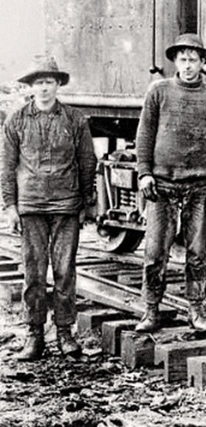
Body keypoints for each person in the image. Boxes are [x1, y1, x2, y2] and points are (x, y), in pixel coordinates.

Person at [0, 55, 96, 360]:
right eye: (38, 82)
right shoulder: (16, 120)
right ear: (30, 86)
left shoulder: (74, 120)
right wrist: (10, 205)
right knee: (34, 271)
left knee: (65, 270)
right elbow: (7, 166)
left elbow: (87, 161)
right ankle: (35, 334)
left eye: (49, 82)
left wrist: (86, 201)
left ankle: (65, 333)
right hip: (31, 206)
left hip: (66, 204)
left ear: (57, 85)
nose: (44, 88)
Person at [134, 33, 206, 334]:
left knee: (198, 253)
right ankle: (151, 310)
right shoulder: (158, 91)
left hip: (199, 186)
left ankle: (196, 310)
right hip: (161, 186)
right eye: (182, 59)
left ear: (203, 63)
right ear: (175, 62)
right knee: (154, 253)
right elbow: (145, 135)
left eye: (193, 60)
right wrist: (144, 172)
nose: (188, 66)